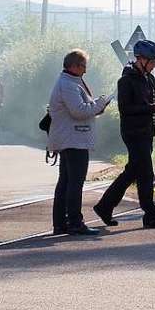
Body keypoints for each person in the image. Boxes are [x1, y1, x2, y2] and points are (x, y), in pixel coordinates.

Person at [93, 40, 155, 229]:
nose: (154, 66)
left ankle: (104, 206)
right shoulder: (126, 81)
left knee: (132, 172)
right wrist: (153, 107)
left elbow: (151, 103)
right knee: (146, 173)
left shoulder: (149, 78)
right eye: (152, 62)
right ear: (141, 59)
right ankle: (150, 215)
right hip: (133, 132)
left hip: (146, 131)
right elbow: (126, 108)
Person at [48, 50, 112, 235]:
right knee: (75, 183)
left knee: (66, 182)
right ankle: (75, 222)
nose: (85, 70)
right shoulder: (69, 84)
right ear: (74, 66)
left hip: (70, 138)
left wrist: (97, 106)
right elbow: (79, 111)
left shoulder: (70, 82)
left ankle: (60, 223)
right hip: (74, 140)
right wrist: (101, 103)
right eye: (83, 66)